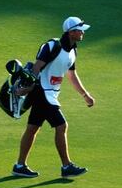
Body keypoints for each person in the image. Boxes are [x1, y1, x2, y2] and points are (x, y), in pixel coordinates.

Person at [12, 16, 96, 178]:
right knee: (61, 126)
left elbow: (71, 75)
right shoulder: (52, 46)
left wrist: (85, 95)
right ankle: (66, 167)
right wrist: (28, 88)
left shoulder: (73, 50)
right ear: (71, 32)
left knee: (33, 128)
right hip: (42, 91)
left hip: (50, 93)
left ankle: (19, 166)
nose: (82, 33)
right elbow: (36, 68)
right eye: (80, 30)